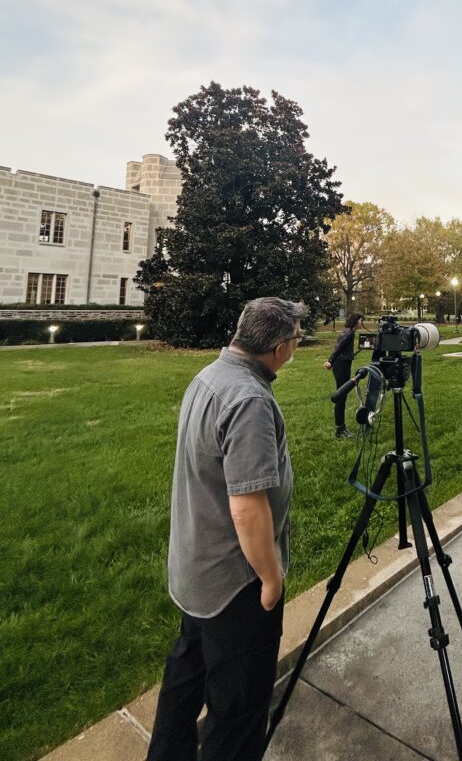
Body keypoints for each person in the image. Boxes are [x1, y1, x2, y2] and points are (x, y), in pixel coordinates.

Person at [146, 296, 307, 761]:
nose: (296, 347)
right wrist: (272, 578)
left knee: (184, 681)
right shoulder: (250, 399)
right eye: (296, 339)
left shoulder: (210, 376)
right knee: (237, 713)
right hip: (236, 586)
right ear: (279, 347)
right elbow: (247, 508)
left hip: (196, 571)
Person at [323, 311, 364, 439]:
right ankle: (340, 430)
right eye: (361, 320)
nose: (362, 323)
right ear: (356, 321)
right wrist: (330, 361)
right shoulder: (349, 333)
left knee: (342, 396)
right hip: (341, 367)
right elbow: (338, 348)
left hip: (342, 365)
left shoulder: (347, 331)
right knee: (341, 397)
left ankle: (341, 428)